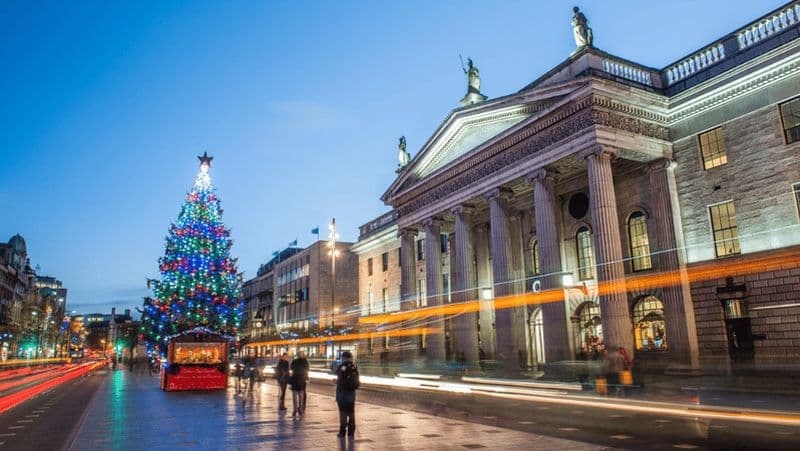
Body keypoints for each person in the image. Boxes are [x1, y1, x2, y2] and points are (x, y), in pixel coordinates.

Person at [335, 350, 360, 438]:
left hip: (342, 394)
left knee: (343, 413)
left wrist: (337, 381)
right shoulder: (354, 366)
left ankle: (342, 432)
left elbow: (338, 374)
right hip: (351, 394)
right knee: (351, 413)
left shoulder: (342, 366)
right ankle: (351, 432)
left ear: (343, 358)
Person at [290, 351, 309, 416]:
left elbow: (292, 370)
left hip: (295, 380)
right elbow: (307, 370)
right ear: (303, 355)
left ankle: (295, 410)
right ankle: (300, 409)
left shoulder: (294, 361)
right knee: (301, 396)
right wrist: (306, 379)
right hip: (302, 381)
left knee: (294, 396)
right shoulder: (305, 361)